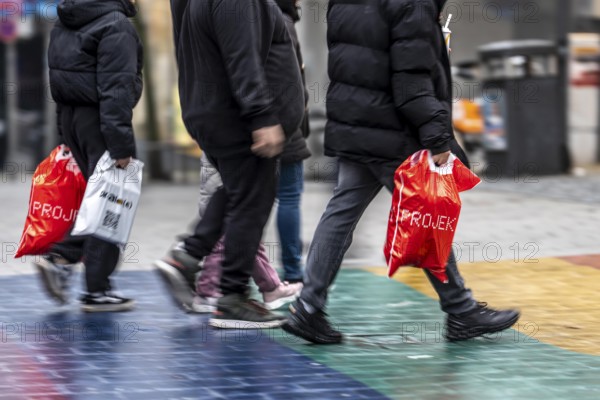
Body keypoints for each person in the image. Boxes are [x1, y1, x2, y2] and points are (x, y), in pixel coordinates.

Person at [283, 0, 520, 344]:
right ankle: (460, 310)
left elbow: (364, 61)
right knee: (426, 214)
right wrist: (438, 139)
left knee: (341, 212)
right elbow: (411, 83)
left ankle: (308, 308)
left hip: (355, 122)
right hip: (391, 132)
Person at [157, 0, 305, 328]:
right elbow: (243, 58)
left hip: (218, 112)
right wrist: (262, 116)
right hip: (237, 118)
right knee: (252, 202)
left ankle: (189, 256)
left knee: (240, 194)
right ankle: (232, 298)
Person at [35, 0, 142, 312]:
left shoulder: (66, 20)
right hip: (101, 122)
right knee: (114, 201)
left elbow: (60, 80)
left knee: (98, 199)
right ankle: (96, 288)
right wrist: (121, 144)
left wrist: (62, 133)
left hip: (73, 120)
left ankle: (63, 258)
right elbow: (116, 89)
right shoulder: (115, 25)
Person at [191, 153, 303, 313]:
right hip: (233, 152)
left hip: (221, 150)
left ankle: (268, 286)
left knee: (241, 224)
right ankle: (209, 288)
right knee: (239, 223)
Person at [273, 0, 311, 284]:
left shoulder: (255, 18)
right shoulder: (283, 22)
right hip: (284, 126)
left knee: (252, 200)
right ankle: (293, 271)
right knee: (288, 197)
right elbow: (293, 81)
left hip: (261, 123)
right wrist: (296, 123)